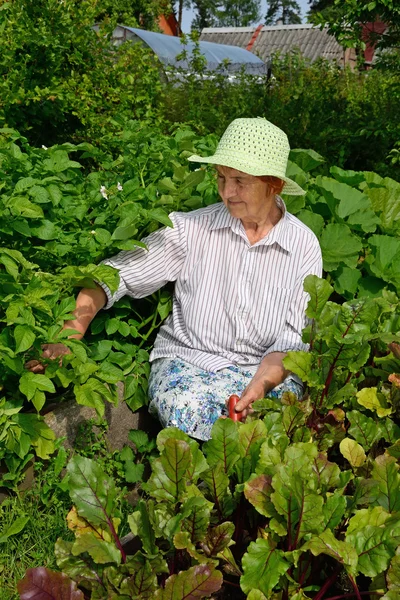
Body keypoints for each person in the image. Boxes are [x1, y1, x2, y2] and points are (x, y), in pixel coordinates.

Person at [28, 118, 322, 441]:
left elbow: (293, 342)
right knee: (194, 409)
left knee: (279, 417)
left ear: (274, 185)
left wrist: (260, 386)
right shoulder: (191, 230)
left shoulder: (303, 247)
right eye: (221, 177)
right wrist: (72, 330)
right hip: (191, 366)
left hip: (264, 372)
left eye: (240, 180)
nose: (227, 192)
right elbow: (116, 274)